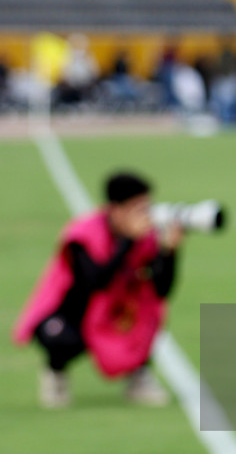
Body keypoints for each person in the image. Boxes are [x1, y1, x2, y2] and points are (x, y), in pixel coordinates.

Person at [12, 172, 183, 408]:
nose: (145, 214)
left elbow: (162, 289)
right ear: (116, 209)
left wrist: (170, 252)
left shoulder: (148, 237)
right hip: (72, 311)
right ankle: (55, 372)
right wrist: (128, 242)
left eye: (147, 207)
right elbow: (94, 283)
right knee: (59, 337)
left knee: (151, 313)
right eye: (137, 208)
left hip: (115, 313)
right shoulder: (83, 234)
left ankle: (138, 376)